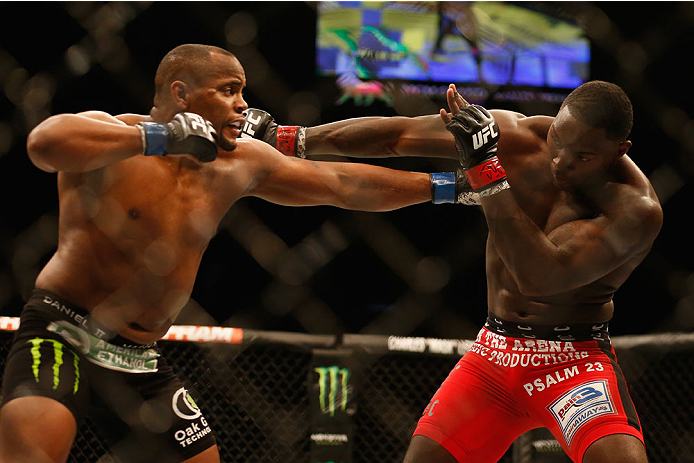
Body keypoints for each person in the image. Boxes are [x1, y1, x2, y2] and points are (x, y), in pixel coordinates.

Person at [0, 44, 464, 463]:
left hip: (140, 357)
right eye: (229, 90)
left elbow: (342, 184)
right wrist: (157, 139)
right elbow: (44, 143)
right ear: (181, 94)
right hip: (63, 332)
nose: (244, 105)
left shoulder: (238, 162)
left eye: (243, 91)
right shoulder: (114, 136)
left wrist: (452, 187)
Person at [243, 80, 663, 463]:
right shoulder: (517, 136)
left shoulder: (634, 209)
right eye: (557, 140)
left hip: (574, 361)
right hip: (495, 354)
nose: (560, 161)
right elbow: (399, 135)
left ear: (619, 150)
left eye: (583, 156)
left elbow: (538, 277)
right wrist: (293, 138)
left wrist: (486, 172)